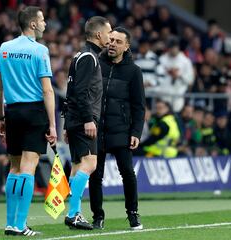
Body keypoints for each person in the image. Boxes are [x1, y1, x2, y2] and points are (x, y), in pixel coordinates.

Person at [0, 6, 57, 236]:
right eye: (42, 20)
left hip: (12, 112)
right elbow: (47, 91)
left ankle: (10, 223)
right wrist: (52, 124)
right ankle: (19, 225)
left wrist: (1, 116)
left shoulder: (4, 48)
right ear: (32, 24)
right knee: (28, 168)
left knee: (15, 167)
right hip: (34, 112)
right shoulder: (40, 50)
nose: (44, 24)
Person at [89, 27, 145, 230]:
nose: (112, 44)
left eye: (118, 41)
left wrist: (136, 132)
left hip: (121, 130)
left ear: (127, 46)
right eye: (111, 39)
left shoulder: (134, 71)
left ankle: (133, 213)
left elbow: (139, 106)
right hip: (96, 130)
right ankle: (97, 217)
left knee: (128, 173)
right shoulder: (96, 64)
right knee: (95, 175)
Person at [63, 16, 111, 230]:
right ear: (99, 34)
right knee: (90, 164)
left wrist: (68, 122)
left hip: (75, 120)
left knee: (76, 167)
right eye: (109, 34)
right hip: (83, 120)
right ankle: (73, 213)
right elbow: (80, 92)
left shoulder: (80, 56)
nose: (110, 38)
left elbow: (70, 90)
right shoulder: (89, 58)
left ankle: (74, 213)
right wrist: (88, 119)